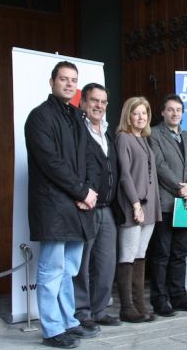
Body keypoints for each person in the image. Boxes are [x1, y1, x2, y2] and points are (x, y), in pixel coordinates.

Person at [24, 61, 100, 349]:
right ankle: (52, 329)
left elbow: (90, 158)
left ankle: (68, 321)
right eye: (64, 79)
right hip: (54, 206)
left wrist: (90, 190)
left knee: (69, 270)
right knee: (51, 269)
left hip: (78, 206)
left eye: (73, 80)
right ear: (52, 82)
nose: (69, 84)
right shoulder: (39, 118)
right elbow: (50, 163)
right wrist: (82, 191)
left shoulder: (77, 117)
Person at [148, 95, 187, 316]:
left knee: (180, 252)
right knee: (162, 253)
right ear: (162, 112)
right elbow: (159, 165)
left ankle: (178, 295)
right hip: (166, 202)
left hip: (186, 204)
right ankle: (160, 299)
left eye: (179, 110)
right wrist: (179, 187)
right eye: (170, 110)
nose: (175, 113)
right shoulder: (153, 134)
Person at [73, 83, 121, 328]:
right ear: (83, 103)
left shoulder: (107, 132)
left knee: (105, 262)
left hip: (107, 208)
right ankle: (82, 313)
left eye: (103, 102)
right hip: (85, 208)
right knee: (82, 264)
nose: (99, 106)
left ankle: (100, 310)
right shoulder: (76, 130)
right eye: (94, 100)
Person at [114, 96, 161, 323]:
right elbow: (124, 176)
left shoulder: (144, 138)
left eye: (144, 113)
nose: (141, 117)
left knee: (141, 256)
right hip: (133, 206)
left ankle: (140, 305)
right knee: (127, 256)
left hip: (150, 206)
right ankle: (127, 307)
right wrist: (135, 205)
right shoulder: (123, 138)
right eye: (136, 113)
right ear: (128, 115)